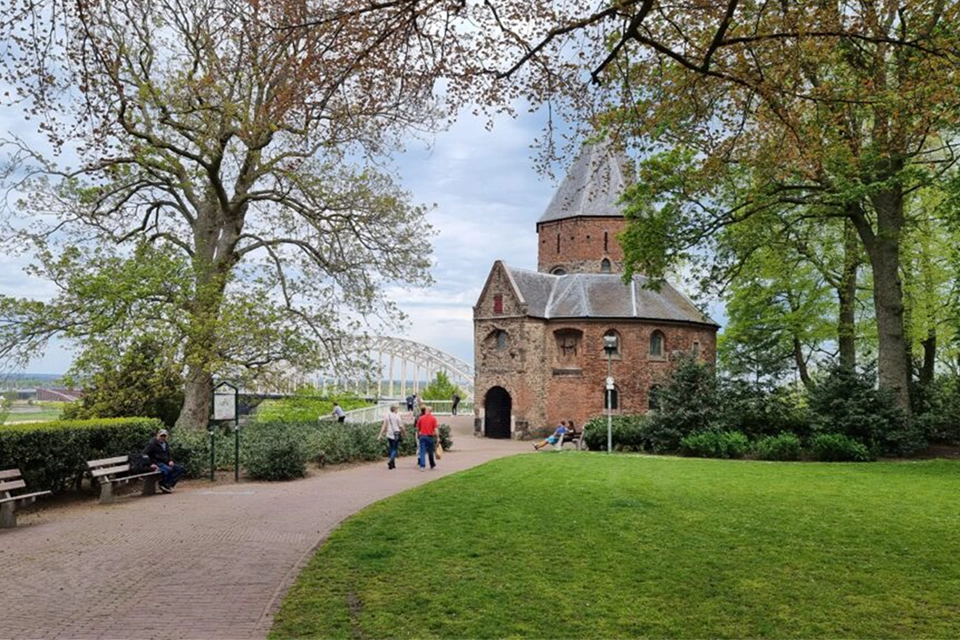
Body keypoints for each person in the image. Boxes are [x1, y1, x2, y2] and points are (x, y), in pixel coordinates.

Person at [143, 428, 185, 493]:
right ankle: (163, 484)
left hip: (165, 462)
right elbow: (144, 454)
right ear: (157, 435)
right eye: (161, 436)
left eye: (164, 436)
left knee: (180, 469)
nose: (163, 437)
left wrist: (170, 460)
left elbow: (168, 454)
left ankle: (168, 484)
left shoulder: (165, 443)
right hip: (157, 463)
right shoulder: (152, 444)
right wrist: (150, 464)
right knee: (168, 470)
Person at [378, 404, 405, 470]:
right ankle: (391, 461)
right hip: (396, 433)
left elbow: (384, 426)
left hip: (389, 433)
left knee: (391, 448)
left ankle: (393, 464)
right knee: (395, 449)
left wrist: (380, 435)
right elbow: (401, 426)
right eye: (397, 409)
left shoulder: (387, 415)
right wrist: (404, 433)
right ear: (395, 409)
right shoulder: (397, 416)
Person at [416, 405, 439, 471]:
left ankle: (422, 466)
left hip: (422, 436)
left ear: (426, 410)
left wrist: (418, 434)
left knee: (422, 451)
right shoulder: (433, 418)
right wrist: (438, 437)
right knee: (430, 451)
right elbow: (435, 429)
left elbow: (418, 428)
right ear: (431, 411)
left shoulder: (421, 418)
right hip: (429, 436)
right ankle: (432, 464)